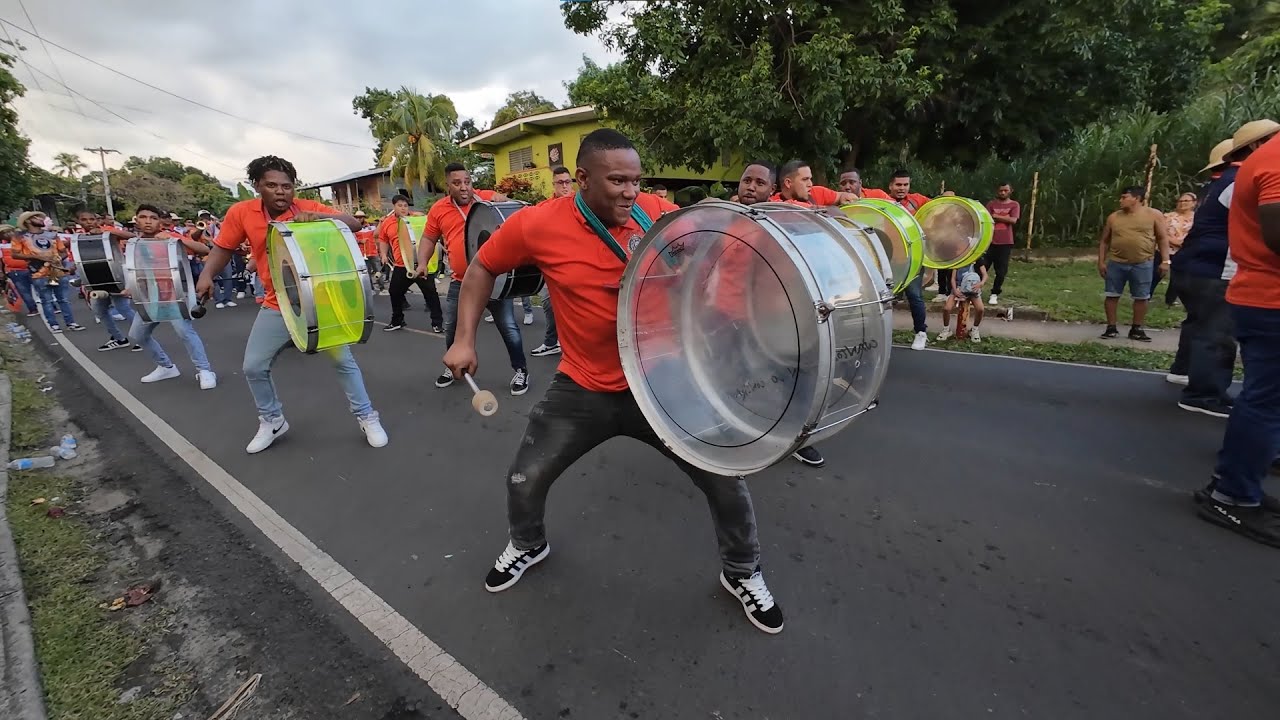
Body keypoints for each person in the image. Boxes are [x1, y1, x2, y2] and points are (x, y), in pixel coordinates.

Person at [443, 129, 784, 634]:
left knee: (725, 479)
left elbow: (717, 250)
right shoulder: (538, 224)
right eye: (617, 180)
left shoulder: (657, 213)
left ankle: (742, 572)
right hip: (583, 387)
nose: (630, 191)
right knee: (525, 475)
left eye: (635, 180)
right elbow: (481, 268)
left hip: (663, 381)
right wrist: (464, 338)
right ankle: (529, 543)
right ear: (582, 179)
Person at [196, 155, 388, 453]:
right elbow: (223, 248)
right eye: (271, 185)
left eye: (287, 186)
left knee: (343, 361)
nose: (281, 191)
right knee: (253, 366)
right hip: (278, 303)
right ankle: (272, 419)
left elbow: (352, 223)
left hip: (320, 302)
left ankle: (367, 416)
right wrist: (207, 274)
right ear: (257, 186)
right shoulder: (241, 213)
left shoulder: (309, 208)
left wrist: (322, 218)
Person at [1194, 122, 1280, 546]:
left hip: (1254, 289)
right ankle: (1233, 493)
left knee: (1264, 398)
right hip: (1268, 294)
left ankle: (1234, 484)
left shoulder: (1257, 163)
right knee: (1266, 400)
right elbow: (1276, 234)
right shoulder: (1275, 162)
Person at [421, 162, 529, 396]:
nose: (464, 187)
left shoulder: (487, 200)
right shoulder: (438, 210)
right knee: (452, 329)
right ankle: (453, 366)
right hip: (460, 281)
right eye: (457, 183)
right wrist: (421, 263)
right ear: (447, 185)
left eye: (467, 182)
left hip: (494, 280)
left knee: (508, 327)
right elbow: (429, 239)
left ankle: (521, 370)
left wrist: (505, 201)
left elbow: (514, 212)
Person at [124, 205, 218, 388]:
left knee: (185, 332)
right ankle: (166, 367)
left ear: (160, 221)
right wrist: (130, 288)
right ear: (136, 220)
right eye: (143, 217)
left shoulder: (171, 238)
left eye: (153, 217)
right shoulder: (133, 244)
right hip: (149, 297)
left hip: (174, 294)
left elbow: (205, 249)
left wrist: (177, 240)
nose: (148, 221)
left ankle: (205, 370)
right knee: (137, 334)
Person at [1097, 186, 1170, 341]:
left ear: (1137, 198)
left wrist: (1165, 261)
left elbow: (1163, 238)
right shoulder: (1114, 217)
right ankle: (1111, 328)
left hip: (1143, 263)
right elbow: (1104, 241)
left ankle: (1136, 329)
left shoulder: (1154, 215)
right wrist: (1101, 261)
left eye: (1124, 197)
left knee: (1142, 296)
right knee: (1111, 295)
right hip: (1116, 262)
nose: (1120, 200)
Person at [379, 195, 443, 333]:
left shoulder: (416, 218)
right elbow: (382, 239)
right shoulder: (387, 223)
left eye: (405, 206)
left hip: (419, 264)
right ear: (394, 207)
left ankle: (437, 323)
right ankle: (397, 320)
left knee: (431, 293)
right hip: (401, 266)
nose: (403, 208)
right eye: (400, 205)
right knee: (394, 292)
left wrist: (424, 215)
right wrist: (383, 254)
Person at [12, 211, 84, 332]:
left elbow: (63, 251)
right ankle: (53, 324)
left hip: (57, 271)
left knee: (63, 299)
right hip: (38, 272)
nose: (41, 219)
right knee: (47, 300)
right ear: (28, 221)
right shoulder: (20, 237)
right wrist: (37, 257)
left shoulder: (52, 235)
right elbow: (15, 254)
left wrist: (57, 260)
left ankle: (71, 323)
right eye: (37, 218)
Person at [530, 166, 574, 358]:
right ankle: (551, 342)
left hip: (576, 264)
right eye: (560, 183)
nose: (565, 186)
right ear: (554, 185)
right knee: (548, 302)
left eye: (568, 182)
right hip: (553, 265)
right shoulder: (545, 207)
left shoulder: (581, 204)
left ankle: (572, 346)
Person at [937, 255, 988, 342]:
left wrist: (981, 283)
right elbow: (953, 279)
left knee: (980, 309)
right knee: (947, 308)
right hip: (959, 288)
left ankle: (974, 329)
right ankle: (946, 329)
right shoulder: (959, 259)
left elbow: (985, 275)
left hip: (973, 289)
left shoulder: (978, 259)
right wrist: (955, 291)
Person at [984, 183, 1021, 306]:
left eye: (1005, 190)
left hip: (1005, 243)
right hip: (989, 242)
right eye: (1001, 191)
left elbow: (1013, 220)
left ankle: (994, 294)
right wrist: (1004, 217)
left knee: (1001, 271)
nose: (1003, 193)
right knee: (982, 268)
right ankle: (975, 291)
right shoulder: (991, 204)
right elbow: (986, 218)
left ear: (1011, 191)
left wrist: (995, 216)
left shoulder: (1014, 205)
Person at [1, 225, 38, 317]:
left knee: (29, 290)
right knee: (31, 290)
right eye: (5, 233)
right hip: (19, 270)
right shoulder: (22, 241)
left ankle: (36, 309)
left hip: (23, 269)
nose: (7, 234)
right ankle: (38, 308)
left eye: (8, 232)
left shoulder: (21, 241)